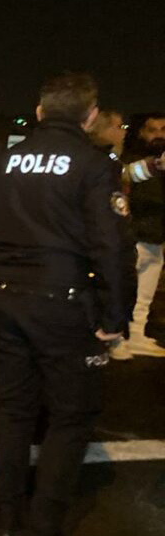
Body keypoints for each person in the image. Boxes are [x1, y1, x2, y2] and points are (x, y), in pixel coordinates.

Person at [0, 72, 135, 536]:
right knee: (71, 417)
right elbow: (112, 246)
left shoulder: (1, 162)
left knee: (14, 412)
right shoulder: (93, 164)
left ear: (40, 112)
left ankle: (6, 526)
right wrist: (115, 317)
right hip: (63, 303)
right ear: (89, 116)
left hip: (3, 299)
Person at [116, 113, 165, 358]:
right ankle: (117, 338)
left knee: (144, 294)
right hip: (134, 236)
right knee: (123, 290)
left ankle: (136, 335)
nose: (158, 134)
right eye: (152, 129)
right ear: (141, 133)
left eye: (163, 129)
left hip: (155, 236)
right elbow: (124, 181)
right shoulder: (133, 161)